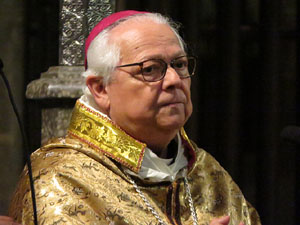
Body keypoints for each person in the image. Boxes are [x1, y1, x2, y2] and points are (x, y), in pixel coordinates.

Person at [8, 10, 261, 225]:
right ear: (101, 88)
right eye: (150, 69)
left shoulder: (207, 171)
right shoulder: (60, 178)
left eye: (180, 65)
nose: (174, 80)